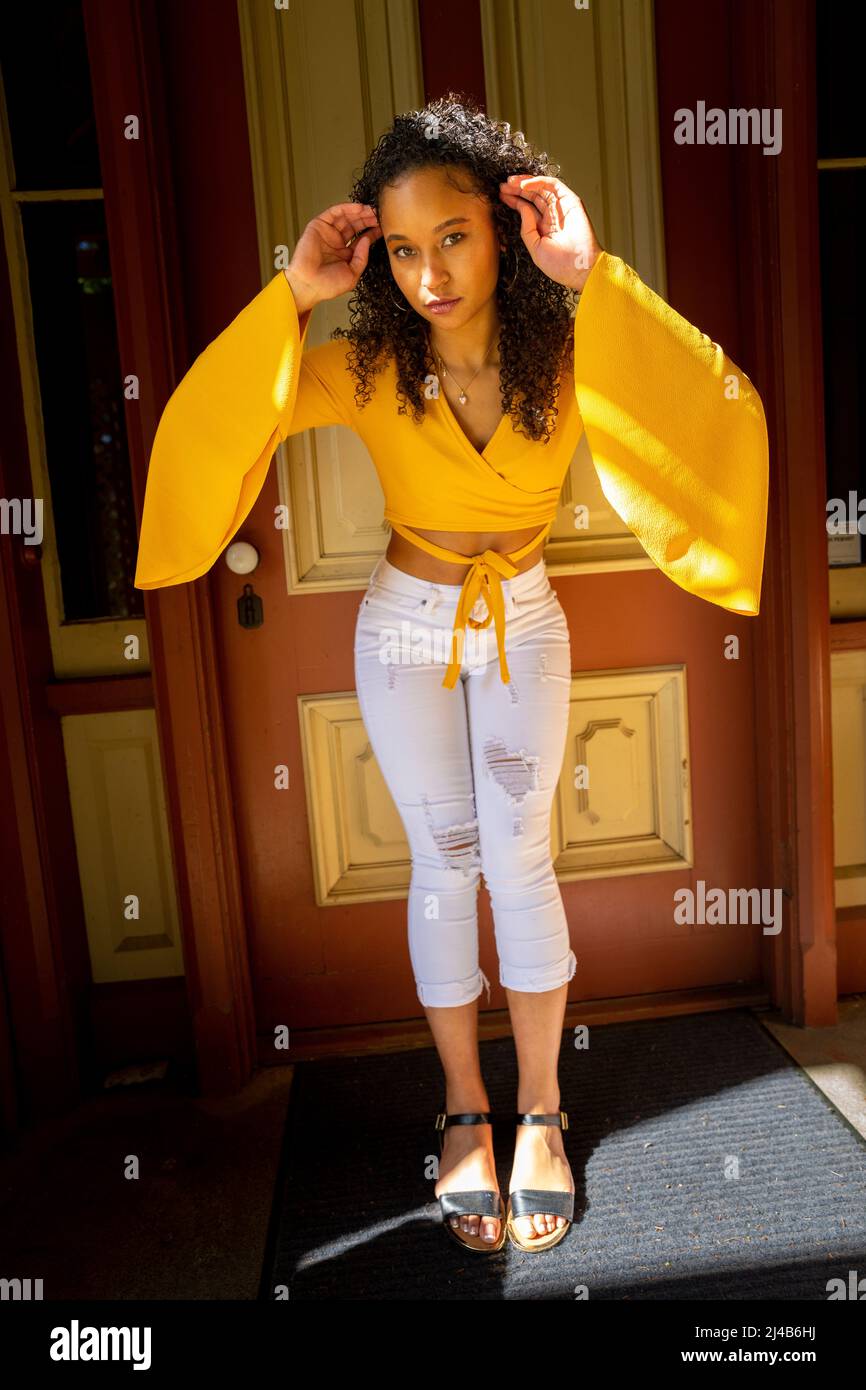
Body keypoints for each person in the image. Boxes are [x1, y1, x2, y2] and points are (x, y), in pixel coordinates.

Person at [134, 94, 769, 1255]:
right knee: (444, 857)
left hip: (523, 620)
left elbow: (713, 409)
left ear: (504, 227)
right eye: (408, 247)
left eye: (456, 237)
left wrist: (590, 274)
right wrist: (292, 294)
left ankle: (540, 1108)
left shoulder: (575, 354)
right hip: (405, 630)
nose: (431, 270)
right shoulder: (362, 366)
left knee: (520, 855)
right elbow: (211, 424)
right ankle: (463, 1110)